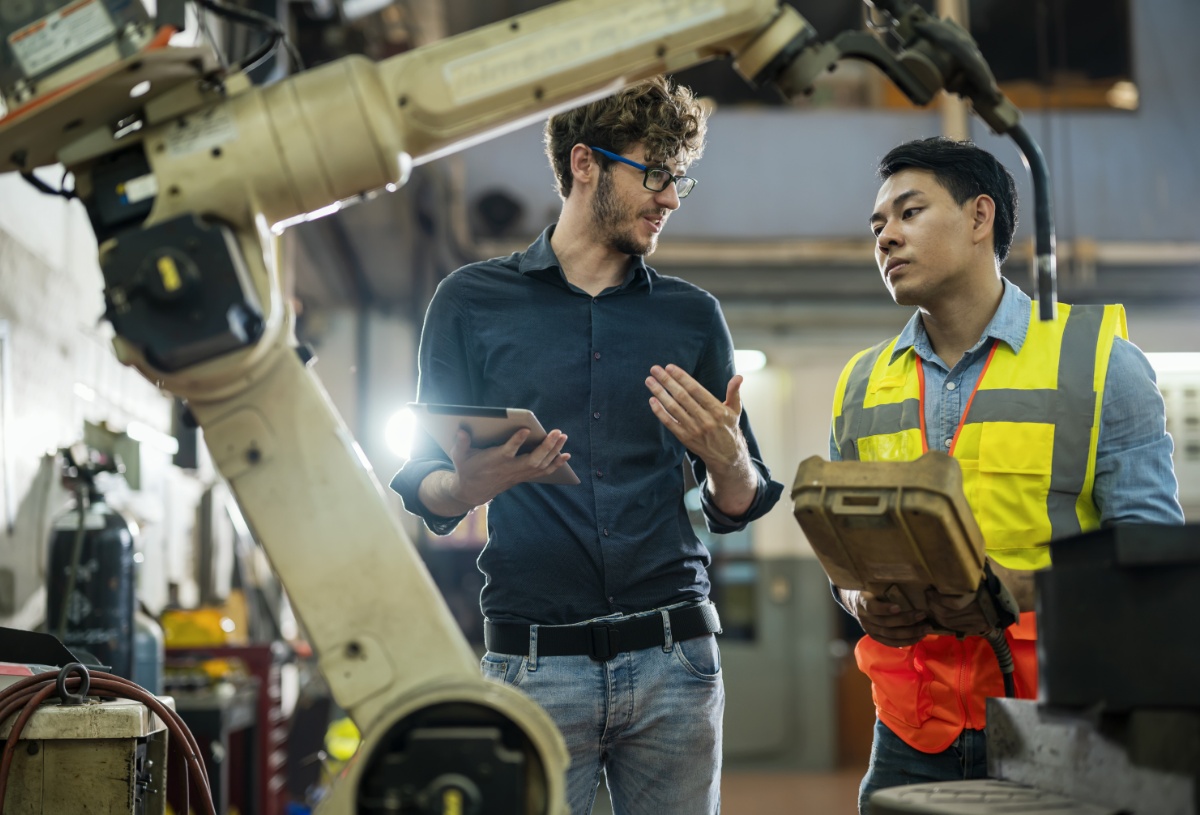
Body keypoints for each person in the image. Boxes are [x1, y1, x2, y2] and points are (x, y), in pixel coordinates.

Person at [390, 76, 783, 815]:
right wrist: (468, 485)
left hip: (676, 663)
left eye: (678, 181)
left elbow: (740, 497)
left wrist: (730, 459)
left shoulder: (693, 317)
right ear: (584, 164)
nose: (669, 198)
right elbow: (425, 486)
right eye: (655, 174)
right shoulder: (469, 302)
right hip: (533, 666)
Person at [829, 136, 1184, 814]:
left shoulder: (1100, 366)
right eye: (877, 225)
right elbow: (843, 559)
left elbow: (1150, 563)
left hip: (1059, 726)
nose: (886, 237)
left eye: (909, 213)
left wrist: (1015, 587)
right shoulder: (862, 383)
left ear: (979, 217)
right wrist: (858, 600)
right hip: (908, 733)